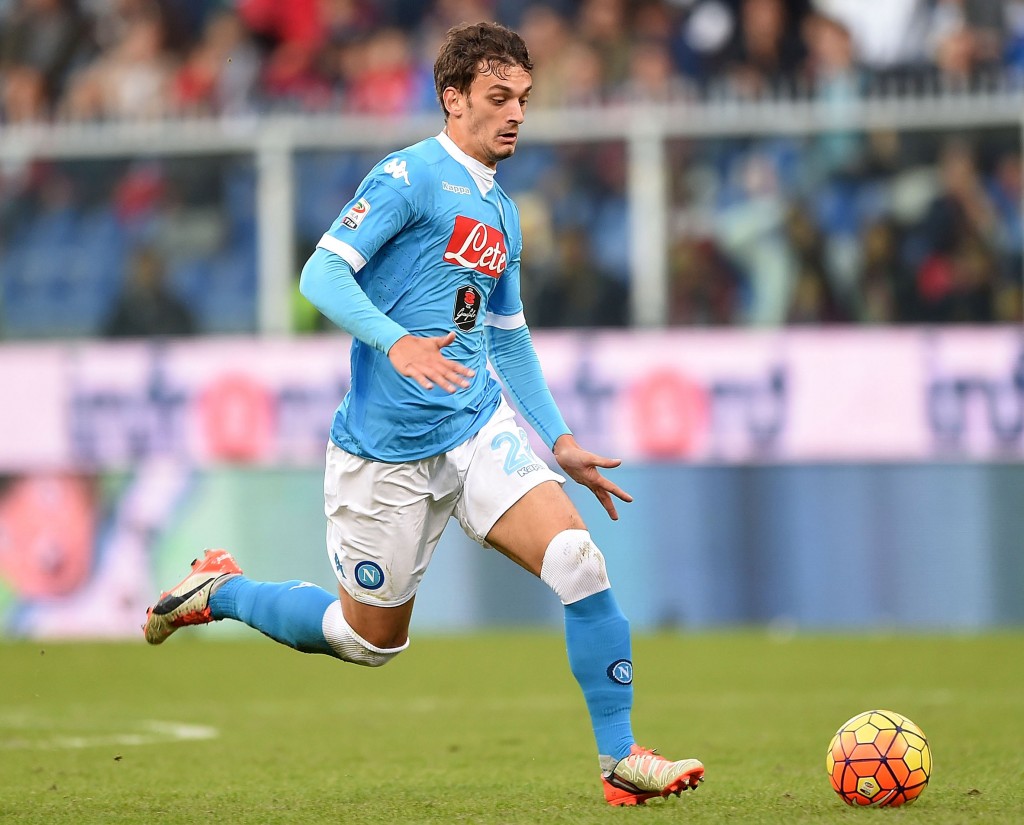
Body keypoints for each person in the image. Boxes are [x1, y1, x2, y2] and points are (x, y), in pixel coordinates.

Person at [143, 21, 704, 807]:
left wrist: (561, 440)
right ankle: (220, 589)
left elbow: (506, 339)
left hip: (475, 429)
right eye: (498, 97)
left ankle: (621, 760)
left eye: (525, 100)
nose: (515, 114)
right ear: (453, 98)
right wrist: (397, 340)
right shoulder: (407, 176)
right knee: (366, 640)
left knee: (579, 562)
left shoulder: (504, 214)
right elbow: (322, 272)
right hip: (384, 453)